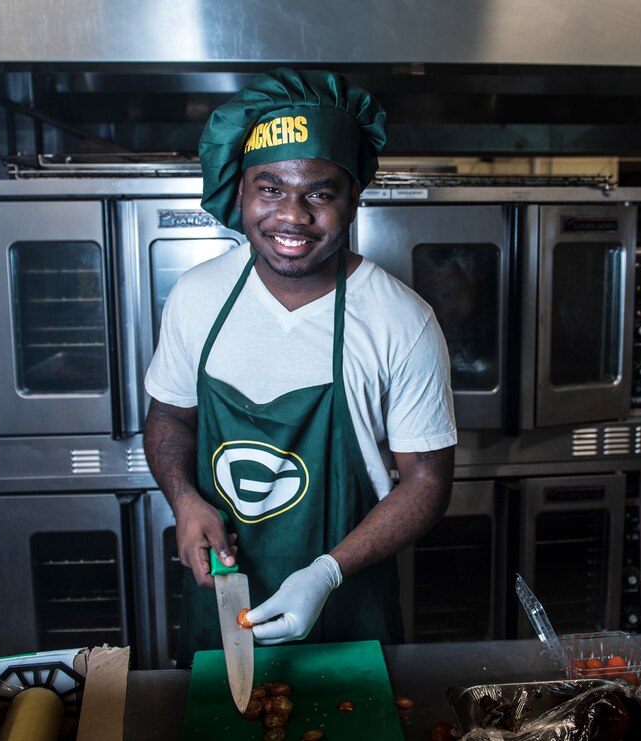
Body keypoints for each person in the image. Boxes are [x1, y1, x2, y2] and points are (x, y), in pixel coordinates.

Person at [143, 68, 456, 668]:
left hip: (348, 605)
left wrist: (328, 574)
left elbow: (427, 481)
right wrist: (185, 500)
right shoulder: (197, 296)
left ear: (353, 198)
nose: (292, 216)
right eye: (270, 188)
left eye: (319, 193)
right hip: (219, 599)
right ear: (240, 192)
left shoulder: (401, 319)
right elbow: (169, 418)